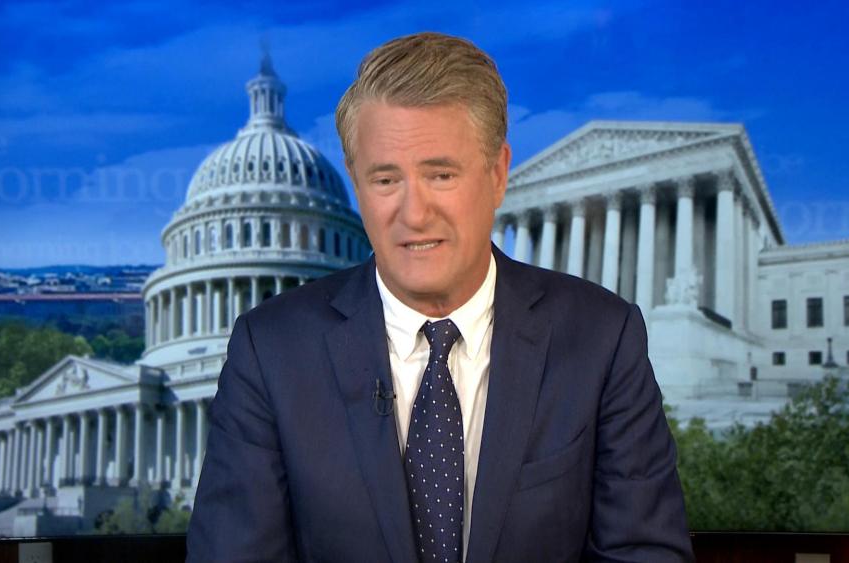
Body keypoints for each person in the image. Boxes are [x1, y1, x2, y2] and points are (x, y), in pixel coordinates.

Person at [187, 32, 693, 562]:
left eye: (441, 174)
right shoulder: (271, 351)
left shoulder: (601, 339)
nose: (414, 213)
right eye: (386, 179)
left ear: (497, 175)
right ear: (356, 186)